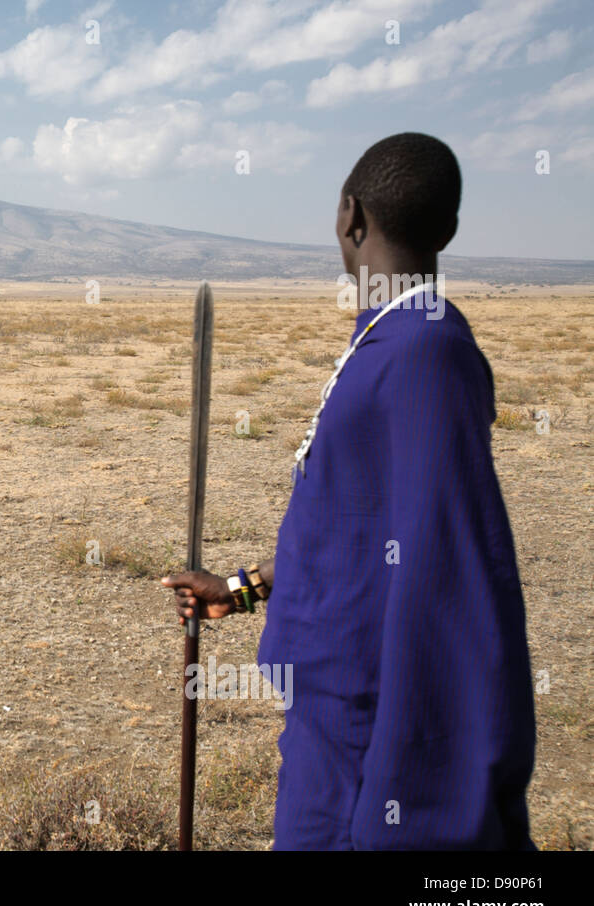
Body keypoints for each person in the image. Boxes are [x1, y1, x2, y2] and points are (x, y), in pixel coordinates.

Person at [162, 132, 536, 850]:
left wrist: (415, 809)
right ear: (449, 230)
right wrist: (238, 587)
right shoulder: (388, 341)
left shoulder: (427, 354)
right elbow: (358, 536)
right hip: (328, 734)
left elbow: (448, 583)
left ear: (350, 216)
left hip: (370, 757)